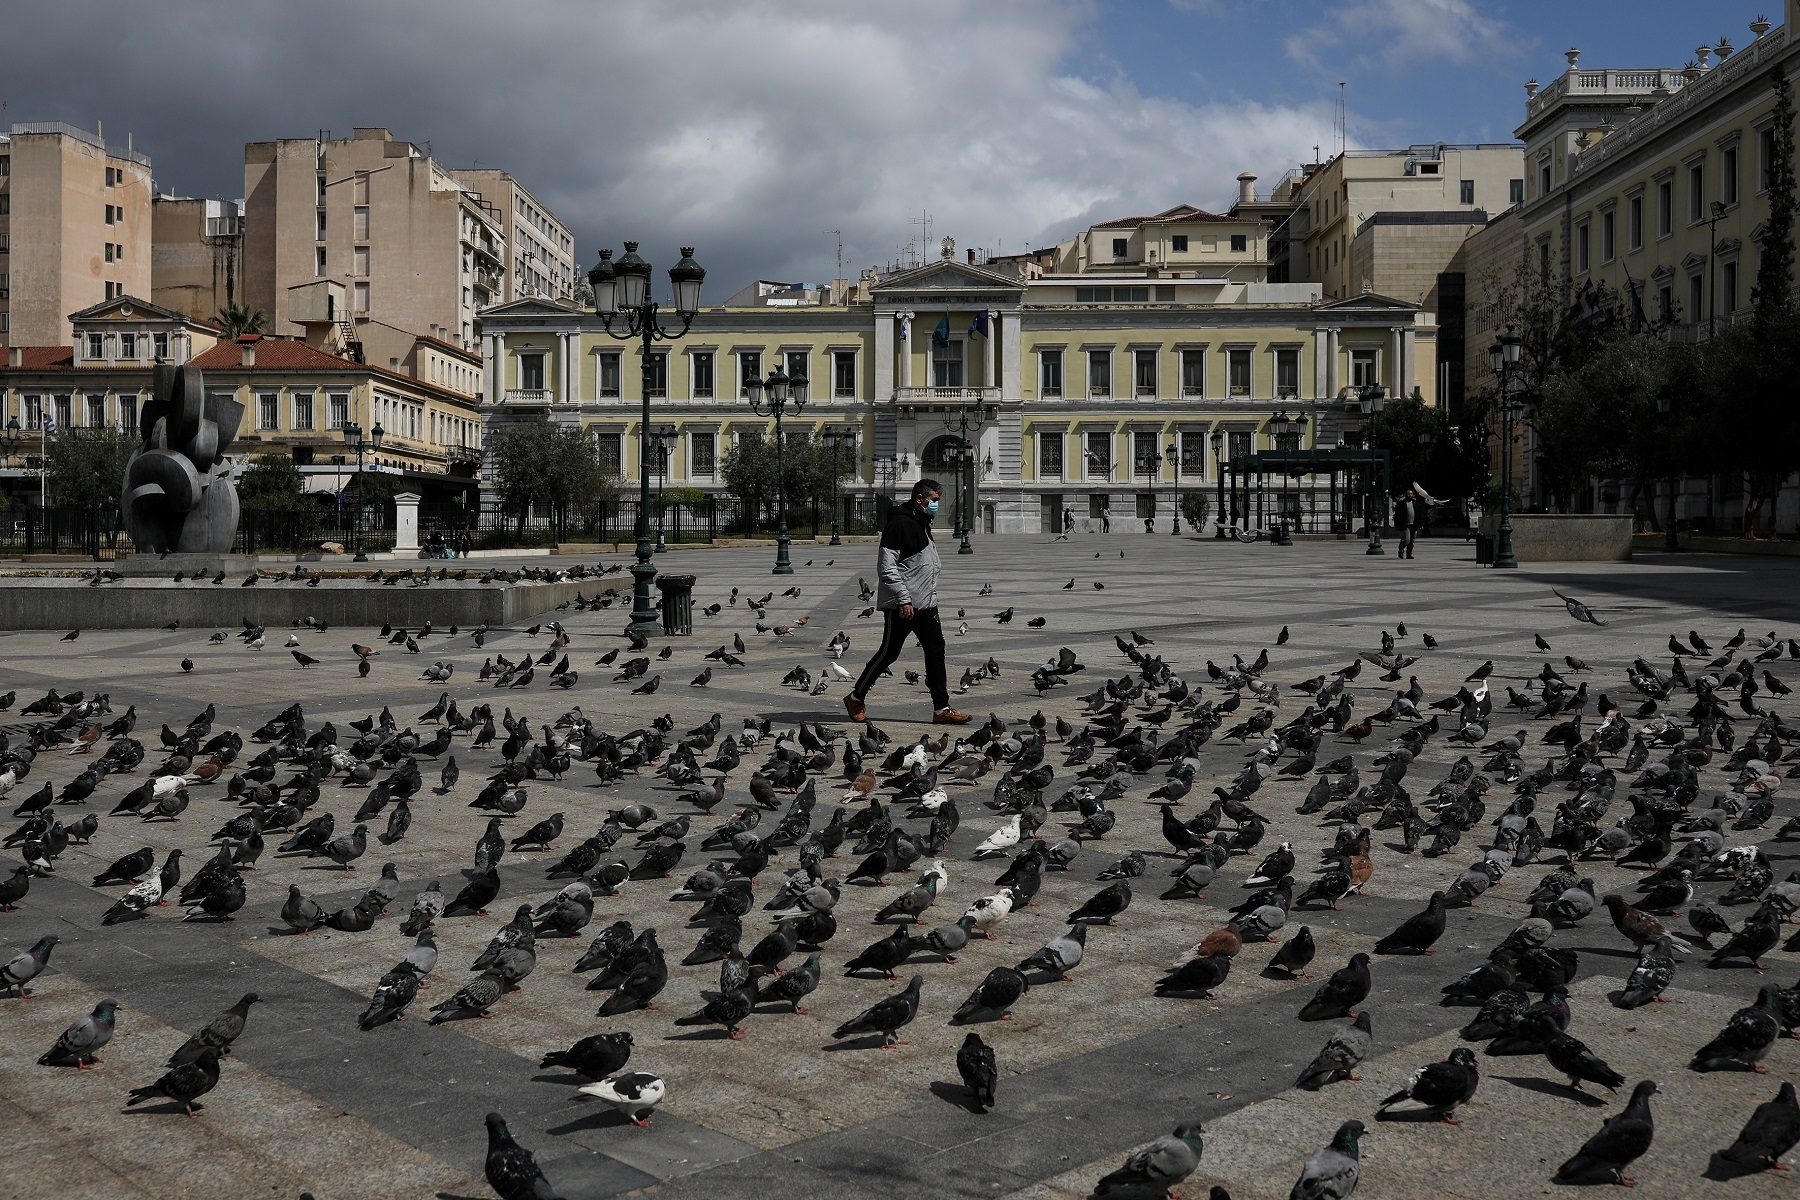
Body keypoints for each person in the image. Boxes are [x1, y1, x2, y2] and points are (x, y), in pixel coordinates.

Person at [845, 479, 969, 726]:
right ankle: (855, 697)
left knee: (936, 651)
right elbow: (886, 567)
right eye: (934, 500)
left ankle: (941, 708)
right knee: (889, 653)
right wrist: (903, 598)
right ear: (920, 499)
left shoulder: (922, 522)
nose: (936, 504)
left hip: (926, 603)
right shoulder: (899, 523)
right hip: (904, 606)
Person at [1393, 489, 1418, 559]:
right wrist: (1398, 525)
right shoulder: (1402, 503)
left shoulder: (1415, 503)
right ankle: (1401, 550)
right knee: (1407, 539)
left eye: (1411, 494)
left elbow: (1418, 514)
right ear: (1406, 495)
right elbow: (1397, 515)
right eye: (1408, 494)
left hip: (1413, 525)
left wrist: (1419, 524)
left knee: (1412, 541)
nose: (1410, 495)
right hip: (1405, 525)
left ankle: (1409, 554)